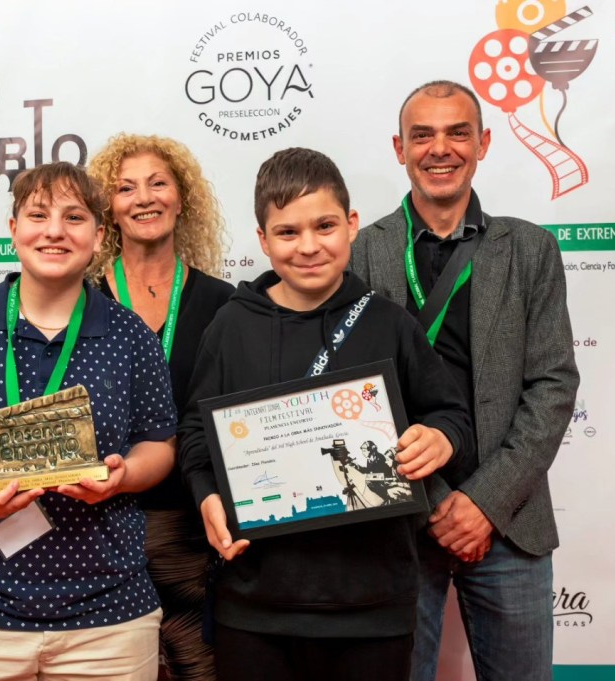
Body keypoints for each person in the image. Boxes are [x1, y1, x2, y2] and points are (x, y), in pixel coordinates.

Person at [178, 147, 473, 681]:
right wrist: (207, 495)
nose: (309, 246)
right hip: (254, 604)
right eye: (287, 232)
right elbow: (198, 430)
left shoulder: (389, 323)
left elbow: (451, 414)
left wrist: (439, 438)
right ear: (263, 240)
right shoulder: (230, 326)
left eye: (325, 226)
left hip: (372, 606)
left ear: (352, 224)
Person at [0, 162, 178, 681]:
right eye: (38, 215)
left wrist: (124, 477)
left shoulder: (132, 337)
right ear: (13, 228)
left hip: (108, 614)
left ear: (98, 234)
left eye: (74, 217)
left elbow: (159, 443)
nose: (54, 231)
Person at [350, 80, 580, 681]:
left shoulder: (530, 249)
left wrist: (484, 502)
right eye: (422, 135)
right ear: (400, 148)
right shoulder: (361, 252)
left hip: (510, 519)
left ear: (483, 143)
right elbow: (354, 399)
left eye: (457, 133)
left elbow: (553, 385)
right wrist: (436, 503)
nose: (440, 149)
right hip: (400, 518)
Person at [88, 133, 233, 681]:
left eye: (157, 183)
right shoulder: (80, 301)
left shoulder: (225, 303)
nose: (144, 198)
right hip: (98, 527)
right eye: (125, 188)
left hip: (194, 527)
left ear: (182, 197)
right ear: (108, 208)